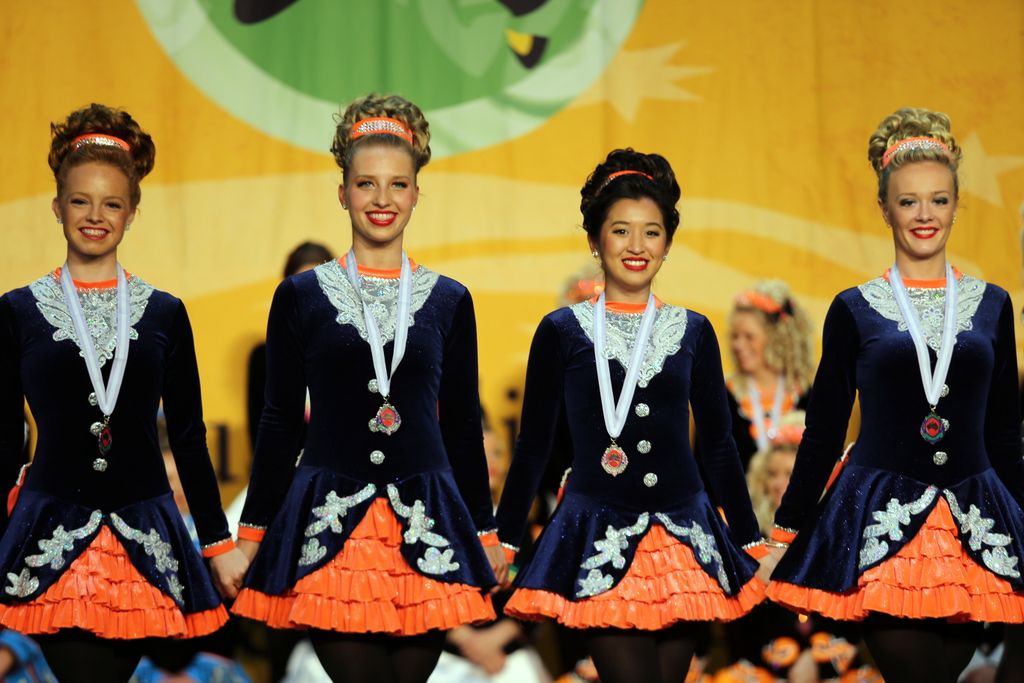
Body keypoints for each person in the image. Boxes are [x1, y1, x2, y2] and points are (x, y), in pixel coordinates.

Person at [232, 93, 505, 683]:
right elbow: (280, 422)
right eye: (366, 184)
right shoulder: (300, 296)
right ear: (342, 192)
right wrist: (251, 535)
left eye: (397, 185)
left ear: (416, 193)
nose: (382, 200)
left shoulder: (450, 299)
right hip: (332, 522)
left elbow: (462, 424)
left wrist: (485, 532)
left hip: (426, 522)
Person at [765, 107, 1024, 683]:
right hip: (879, 521)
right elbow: (824, 430)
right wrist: (785, 532)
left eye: (938, 199)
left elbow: (1005, 433)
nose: (925, 215)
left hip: (973, 527)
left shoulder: (993, 304)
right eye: (909, 201)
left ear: (956, 205)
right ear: (884, 207)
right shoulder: (854, 307)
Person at [495, 148, 769, 683]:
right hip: (597, 526)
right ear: (595, 240)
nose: (636, 246)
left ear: (667, 243)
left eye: (652, 232)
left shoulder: (693, 330)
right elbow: (533, 445)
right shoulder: (561, 330)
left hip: (682, 534)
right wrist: (503, 540)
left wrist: (750, 539)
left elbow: (718, 446)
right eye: (621, 231)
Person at [0, 103, 248, 683]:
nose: (95, 216)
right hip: (50, 530)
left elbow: (188, 438)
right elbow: (6, 437)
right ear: (57, 206)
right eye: (80, 201)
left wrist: (217, 543)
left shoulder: (165, 313)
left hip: (143, 535)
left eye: (111, 203)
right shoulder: (17, 311)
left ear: (132, 212)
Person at [725, 280, 814, 469]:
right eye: (735, 336)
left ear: (777, 338)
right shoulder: (724, 396)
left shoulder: (808, 397)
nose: (738, 345)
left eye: (749, 336)